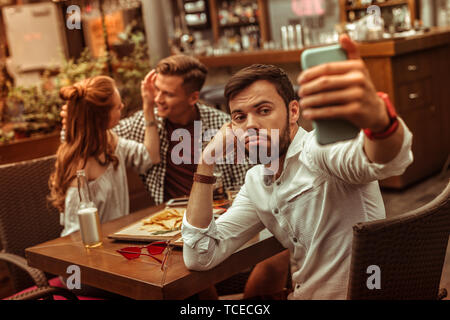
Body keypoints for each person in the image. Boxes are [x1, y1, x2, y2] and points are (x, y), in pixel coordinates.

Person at [181, 34, 414, 299]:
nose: (251, 124)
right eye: (240, 117)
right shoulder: (257, 181)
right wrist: (206, 161)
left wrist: (381, 122)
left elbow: (383, 160)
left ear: (293, 112)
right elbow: (200, 254)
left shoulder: (318, 150)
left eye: (264, 110)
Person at [59, 55, 288, 299]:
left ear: (193, 98)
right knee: (189, 273)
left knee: (277, 254)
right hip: (164, 232)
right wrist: (73, 116)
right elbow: (86, 135)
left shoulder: (222, 125)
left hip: (219, 220)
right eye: (156, 90)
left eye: (167, 94)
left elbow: (245, 184)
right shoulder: (143, 125)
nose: (158, 98)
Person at [49, 75, 160, 237]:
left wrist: (148, 107)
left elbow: (149, 157)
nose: (122, 106)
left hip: (119, 239)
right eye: (117, 107)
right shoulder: (80, 167)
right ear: (100, 118)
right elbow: (74, 235)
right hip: (96, 253)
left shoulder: (110, 140)